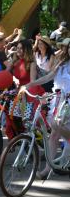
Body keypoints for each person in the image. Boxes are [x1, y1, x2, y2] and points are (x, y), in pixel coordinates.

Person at [20, 38, 70, 179]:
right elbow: (48, 77)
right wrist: (31, 84)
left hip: (68, 103)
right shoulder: (61, 63)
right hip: (59, 100)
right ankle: (47, 170)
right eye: (68, 47)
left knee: (56, 125)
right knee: (53, 135)